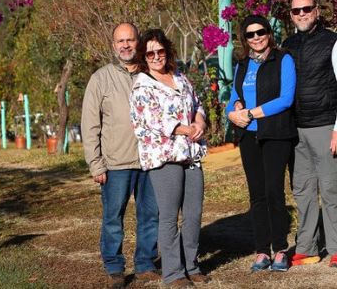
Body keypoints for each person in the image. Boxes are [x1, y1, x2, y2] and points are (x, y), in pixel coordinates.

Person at [81, 22, 159, 289]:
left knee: (151, 215)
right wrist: (95, 163)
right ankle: (115, 268)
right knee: (113, 217)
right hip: (115, 164)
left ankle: (145, 264)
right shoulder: (100, 78)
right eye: (120, 41)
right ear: (113, 45)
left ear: (138, 41)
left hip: (151, 161)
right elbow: (89, 124)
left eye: (130, 40)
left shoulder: (152, 74)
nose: (125, 45)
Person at [129, 29, 209, 288]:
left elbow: (197, 104)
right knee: (169, 217)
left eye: (160, 51)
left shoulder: (180, 78)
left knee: (194, 214)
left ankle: (191, 265)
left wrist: (199, 120)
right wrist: (187, 129)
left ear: (167, 51)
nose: (155, 56)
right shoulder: (142, 85)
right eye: (149, 52)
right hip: (164, 156)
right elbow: (154, 120)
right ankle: (173, 273)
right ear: (143, 55)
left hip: (191, 153)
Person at [282, 0, 337, 268]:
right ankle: (307, 247)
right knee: (302, 190)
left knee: (331, 188)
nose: (301, 14)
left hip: (325, 126)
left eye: (307, 9)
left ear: (316, 11)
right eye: (296, 10)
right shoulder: (287, 45)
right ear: (291, 15)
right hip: (295, 129)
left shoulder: (334, 42)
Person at [226, 15, 297, 273]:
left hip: (276, 134)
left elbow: (286, 98)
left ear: (268, 32)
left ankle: (280, 249)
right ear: (244, 39)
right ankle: (261, 251)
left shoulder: (283, 59)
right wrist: (232, 110)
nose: (256, 38)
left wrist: (251, 113)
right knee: (256, 195)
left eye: (260, 32)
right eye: (250, 34)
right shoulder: (242, 64)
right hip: (248, 137)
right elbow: (234, 94)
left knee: (274, 192)